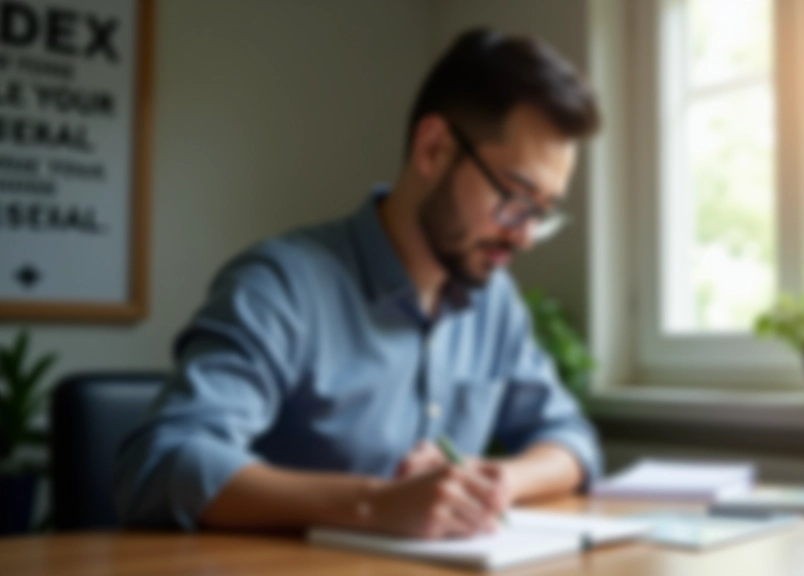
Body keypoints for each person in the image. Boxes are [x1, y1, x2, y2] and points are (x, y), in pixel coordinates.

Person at [115, 27, 602, 539]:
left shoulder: (494, 303)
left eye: (543, 212)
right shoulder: (282, 285)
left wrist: (490, 483)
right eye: (516, 197)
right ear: (434, 150)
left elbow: (571, 438)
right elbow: (161, 462)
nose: (525, 236)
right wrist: (374, 505)